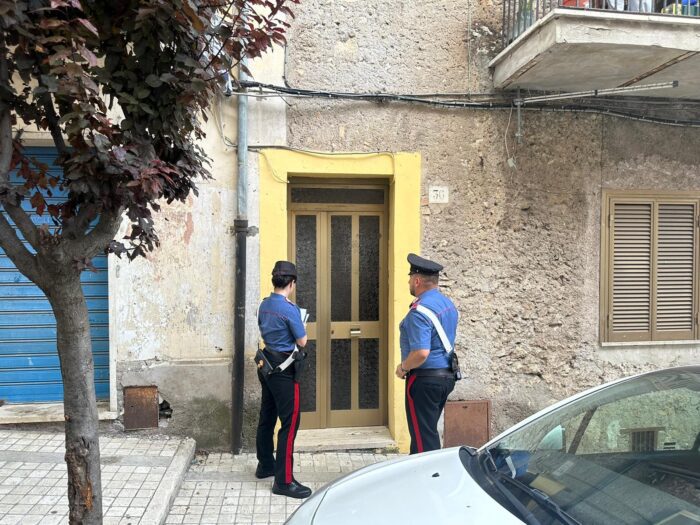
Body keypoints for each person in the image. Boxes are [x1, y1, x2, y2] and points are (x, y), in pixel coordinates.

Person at [255, 260, 311, 499]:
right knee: (289, 423)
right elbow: (302, 341)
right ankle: (284, 481)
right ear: (292, 283)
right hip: (284, 371)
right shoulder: (289, 309)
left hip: (266, 364)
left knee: (267, 416)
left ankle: (265, 464)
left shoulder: (264, 305)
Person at [396, 253, 458, 454]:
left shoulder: (420, 311)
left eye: (409, 279)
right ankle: (419, 474)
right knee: (427, 431)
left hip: (424, 379)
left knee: (423, 437)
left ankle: (429, 480)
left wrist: (404, 367)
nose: (408, 283)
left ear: (417, 280)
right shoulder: (447, 304)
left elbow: (421, 352)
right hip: (446, 376)